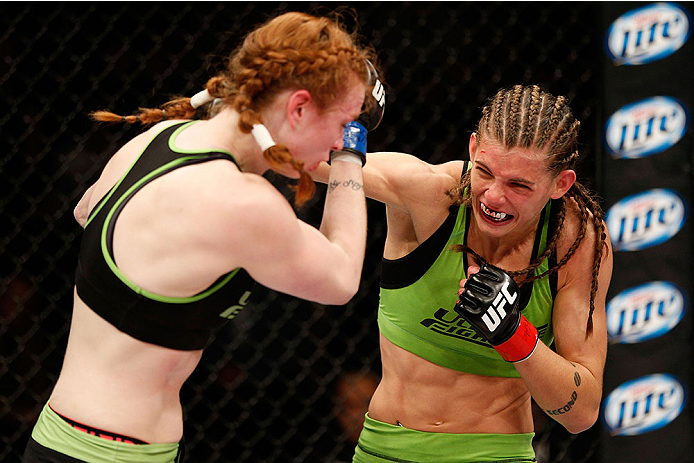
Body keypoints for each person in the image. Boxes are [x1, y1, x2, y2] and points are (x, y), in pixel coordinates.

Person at [22, 11, 384, 463]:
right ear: (298, 107)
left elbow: (86, 210)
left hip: (71, 436)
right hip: (107, 454)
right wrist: (352, 156)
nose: (337, 140)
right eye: (345, 122)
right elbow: (342, 277)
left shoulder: (161, 136)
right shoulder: (242, 201)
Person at [314, 84, 612, 462]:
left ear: (560, 184)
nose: (493, 197)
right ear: (472, 148)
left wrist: (512, 335)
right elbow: (311, 158)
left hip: (496, 454)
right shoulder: (430, 195)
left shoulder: (576, 240)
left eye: (518, 185)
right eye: (485, 172)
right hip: (383, 450)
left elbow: (581, 412)